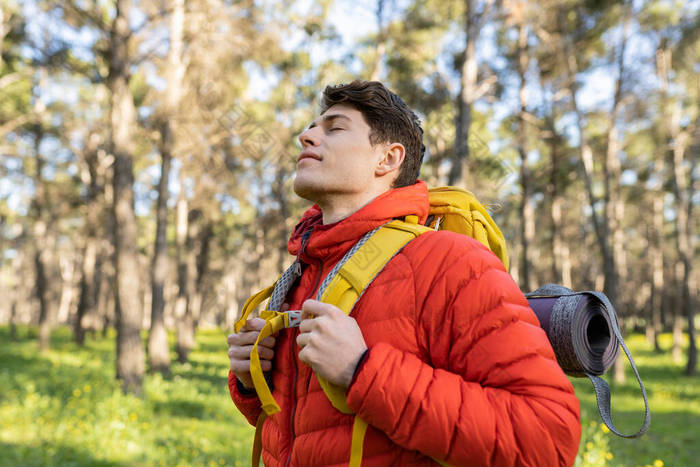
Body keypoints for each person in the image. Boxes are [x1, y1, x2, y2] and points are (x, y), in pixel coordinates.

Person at [227, 80, 581, 466]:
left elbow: (548, 439)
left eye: (334, 127)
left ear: (388, 159)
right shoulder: (305, 271)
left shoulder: (450, 261)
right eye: (312, 126)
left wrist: (363, 370)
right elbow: (313, 430)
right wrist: (252, 381)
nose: (306, 136)